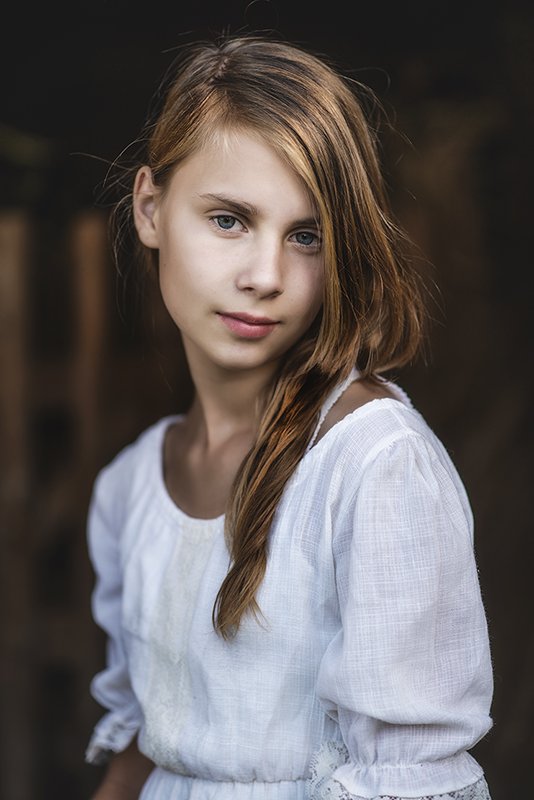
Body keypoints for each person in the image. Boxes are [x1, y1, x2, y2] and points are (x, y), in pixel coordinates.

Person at [84, 32, 494, 800]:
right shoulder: (129, 488)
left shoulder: (374, 464)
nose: (266, 275)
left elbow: (410, 777)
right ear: (150, 208)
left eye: (307, 236)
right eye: (229, 220)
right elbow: (141, 754)